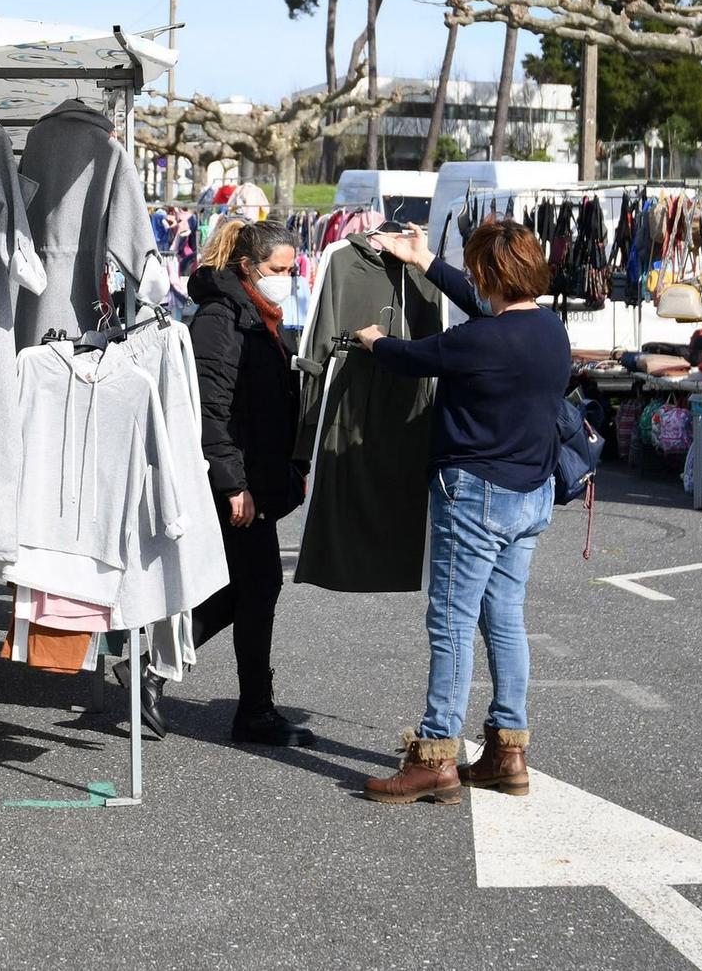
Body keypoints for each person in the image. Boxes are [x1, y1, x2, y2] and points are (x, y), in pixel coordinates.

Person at [354, 221, 569, 804]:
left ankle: (435, 756)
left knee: (450, 623)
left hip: (476, 496)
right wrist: (424, 261)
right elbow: (484, 307)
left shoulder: (480, 342)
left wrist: (372, 339)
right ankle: (508, 751)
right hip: (531, 495)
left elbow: (408, 356)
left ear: (490, 274)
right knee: (505, 620)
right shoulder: (550, 330)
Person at [184, 218, 315, 748]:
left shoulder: (259, 315)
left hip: (255, 478)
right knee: (257, 587)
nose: (287, 277)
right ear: (247, 267)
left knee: (248, 587)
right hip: (236, 481)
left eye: (291, 268)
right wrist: (233, 484)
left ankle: (150, 668)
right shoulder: (221, 318)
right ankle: (252, 711)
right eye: (277, 269)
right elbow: (210, 411)